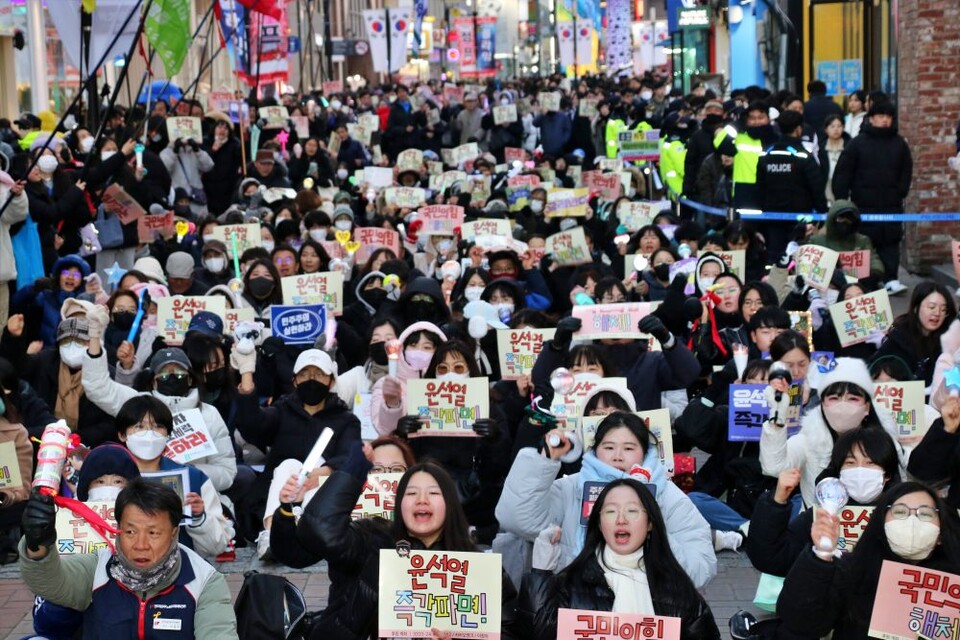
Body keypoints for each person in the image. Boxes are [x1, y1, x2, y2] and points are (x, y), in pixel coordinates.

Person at [267, 445, 522, 639]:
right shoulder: (369, 539)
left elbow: (508, 627)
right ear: (399, 503)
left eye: (433, 493)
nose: (422, 500)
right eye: (411, 493)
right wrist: (354, 470)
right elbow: (321, 530)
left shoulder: (477, 566)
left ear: (450, 505)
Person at [496, 412, 717, 588]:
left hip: (647, 610)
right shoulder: (572, 487)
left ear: (644, 453)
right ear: (595, 450)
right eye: (608, 447)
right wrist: (542, 460)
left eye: (629, 448)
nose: (617, 456)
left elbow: (701, 569)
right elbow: (518, 520)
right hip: (575, 605)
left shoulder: (666, 495)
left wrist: (654, 531)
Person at [18, 479, 238, 638]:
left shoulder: (204, 580)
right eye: (130, 532)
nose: (140, 545)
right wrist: (38, 542)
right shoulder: (98, 567)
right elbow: (50, 583)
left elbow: (218, 634)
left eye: (153, 533)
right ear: (118, 528)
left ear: (173, 533)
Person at [520, 479, 721, 640]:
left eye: (632, 511)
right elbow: (536, 632)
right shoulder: (570, 581)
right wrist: (540, 573)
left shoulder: (677, 591)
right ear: (599, 523)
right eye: (610, 511)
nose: (621, 519)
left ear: (650, 523)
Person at [776, 481, 960, 638]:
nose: (912, 521)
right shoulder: (852, 570)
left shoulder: (955, 580)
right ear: (881, 525)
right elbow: (801, 622)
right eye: (900, 512)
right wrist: (821, 556)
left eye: (925, 514)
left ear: (941, 534)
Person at [748, 425, 903, 577]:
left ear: (887, 473)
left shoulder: (904, 514)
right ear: (839, 471)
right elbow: (772, 558)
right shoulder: (823, 517)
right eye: (850, 463)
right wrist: (777, 501)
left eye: (871, 463)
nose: (860, 470)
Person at [760, 357, 905, 507]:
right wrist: (777, 417)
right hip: (818, 524)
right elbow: (773, 467)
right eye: (834, 398)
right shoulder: (807, 441)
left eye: (853, 398)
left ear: (867, 406)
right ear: (822, 404)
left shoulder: (886, 442)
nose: (843, 405)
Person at [832, 100, 913, 294]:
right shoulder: (858, 143)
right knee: (863, 243)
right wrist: (843, 200)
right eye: (880, 116)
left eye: (888, 116)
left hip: (891, 204)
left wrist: (900, 191)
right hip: (863, 205)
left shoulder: (899, 143)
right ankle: (865, 281)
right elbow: (843, 173)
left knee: (891, 242)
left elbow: (906, 170)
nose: (884, 120)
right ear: (872, 118)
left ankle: (891, 278)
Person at [755, 109, 827, 261]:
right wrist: (822, 214)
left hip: (772, 218)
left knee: (776, 260)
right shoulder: (803, 156)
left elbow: (759, 188)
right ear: (798, 129)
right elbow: (816, 186)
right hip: (800, 220)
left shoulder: (766, 155)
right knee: (799, 260)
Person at [872, 282, 955, 386]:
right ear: (916, 308)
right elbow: (872, 368)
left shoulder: (949, 341)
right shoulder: (898, 335)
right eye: (931, 307)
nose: (937, 313)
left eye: (943, 310)